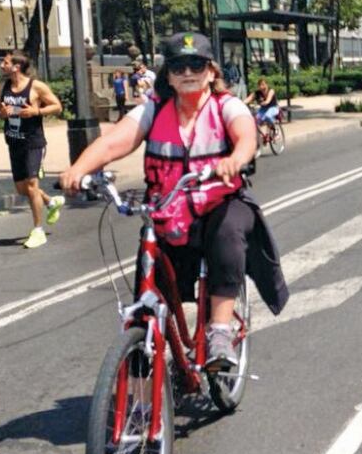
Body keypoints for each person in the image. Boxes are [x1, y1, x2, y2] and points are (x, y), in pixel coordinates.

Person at [59, 32, 288, 369]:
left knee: (227, 235)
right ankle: (137, 392)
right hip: (169, 209)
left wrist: (235, 159)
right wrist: (79, 167)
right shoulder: (154, 109)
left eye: (196, 64)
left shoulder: (227, 105)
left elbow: (246, 136)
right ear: (168, 75)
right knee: (147, 289)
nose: (187, 73)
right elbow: (113, 144)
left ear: (210, 71)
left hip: (219, 201)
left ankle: (220, 331)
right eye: (178, 66)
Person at [0, 50, 65, 249]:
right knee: (22, 189)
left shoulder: (36, 87)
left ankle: (38, 230)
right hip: (13, 141)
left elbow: (57, 106)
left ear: (16, 67)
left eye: (5, 62)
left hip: (33, 142)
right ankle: (51, 202)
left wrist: (36, 111)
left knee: (32, 184)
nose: (1, 65)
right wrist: (3, 113)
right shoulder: (3, 87)